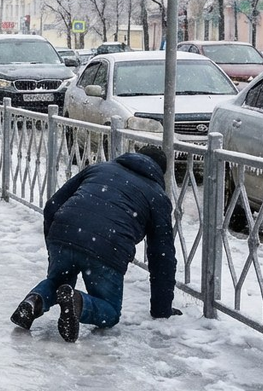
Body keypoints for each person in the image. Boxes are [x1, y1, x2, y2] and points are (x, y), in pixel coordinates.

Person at [9, 145, 180, 342]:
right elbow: (162, 257)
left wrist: (56, 245)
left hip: (65, 230)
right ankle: (77, 302)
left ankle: (33, 301)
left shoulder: (100, 168)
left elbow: (52, 206)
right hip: (108, 249)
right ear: (160, 172)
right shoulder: (157, 196)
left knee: (57, 282)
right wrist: (161, 309)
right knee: (110, 310)